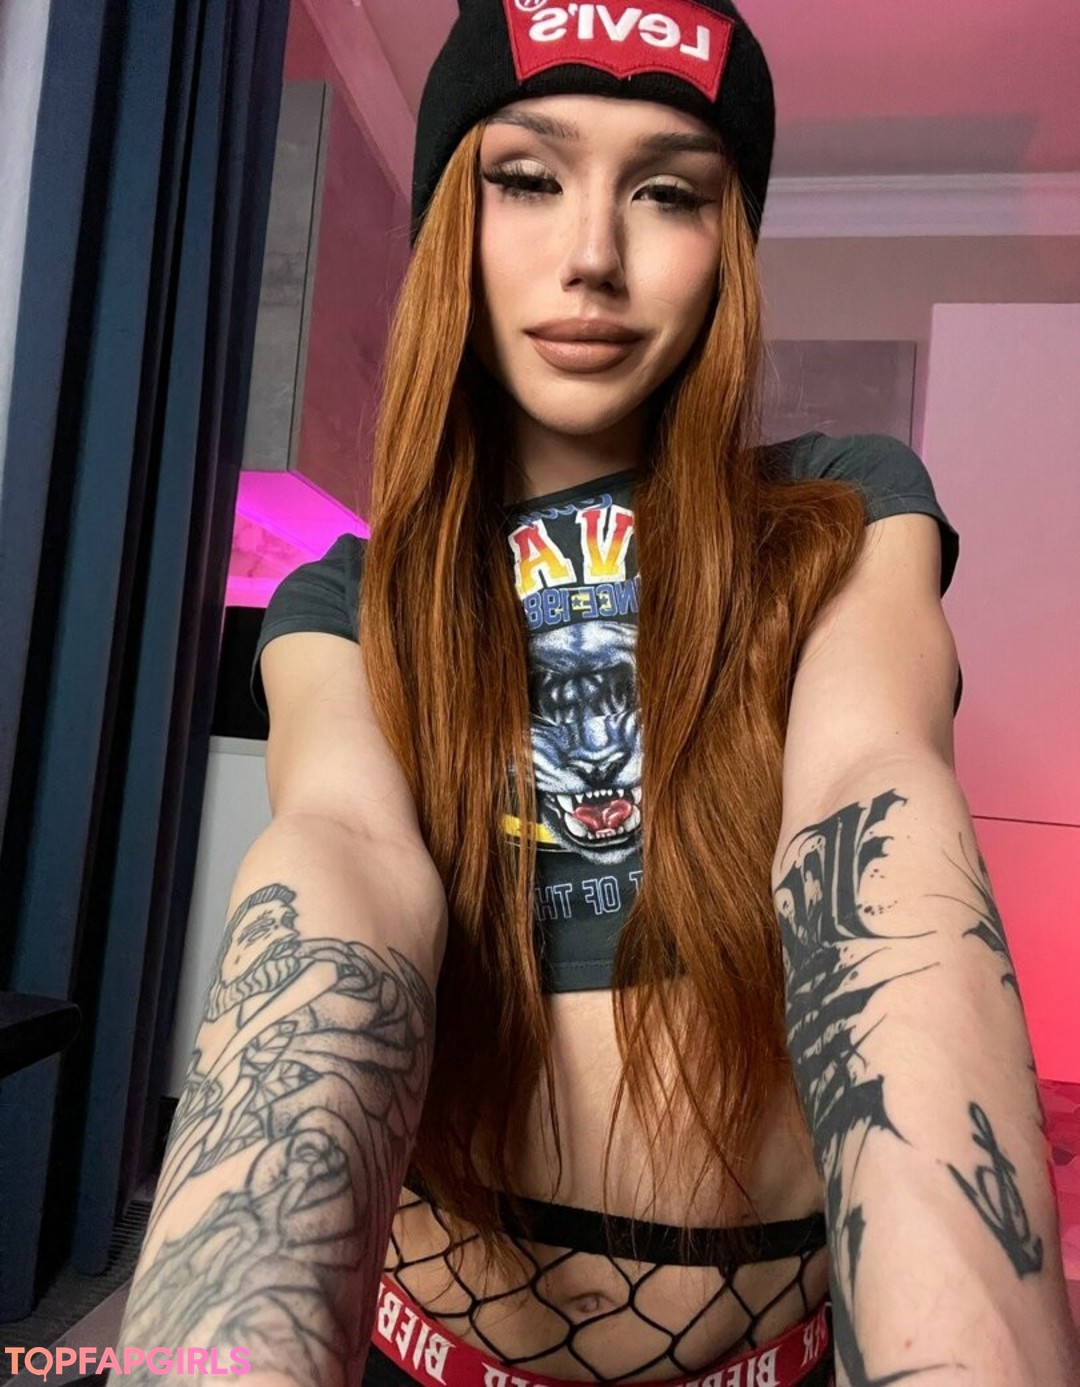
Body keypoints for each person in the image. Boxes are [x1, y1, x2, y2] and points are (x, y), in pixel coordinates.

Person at [117, 3, 1080, 1386]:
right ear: (451, 220)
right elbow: (342, 854)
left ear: (728, 245)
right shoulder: (348, 603)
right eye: (527, 177)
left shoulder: (843, 510)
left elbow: (872, 794)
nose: (592, 254)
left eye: (669, 192)